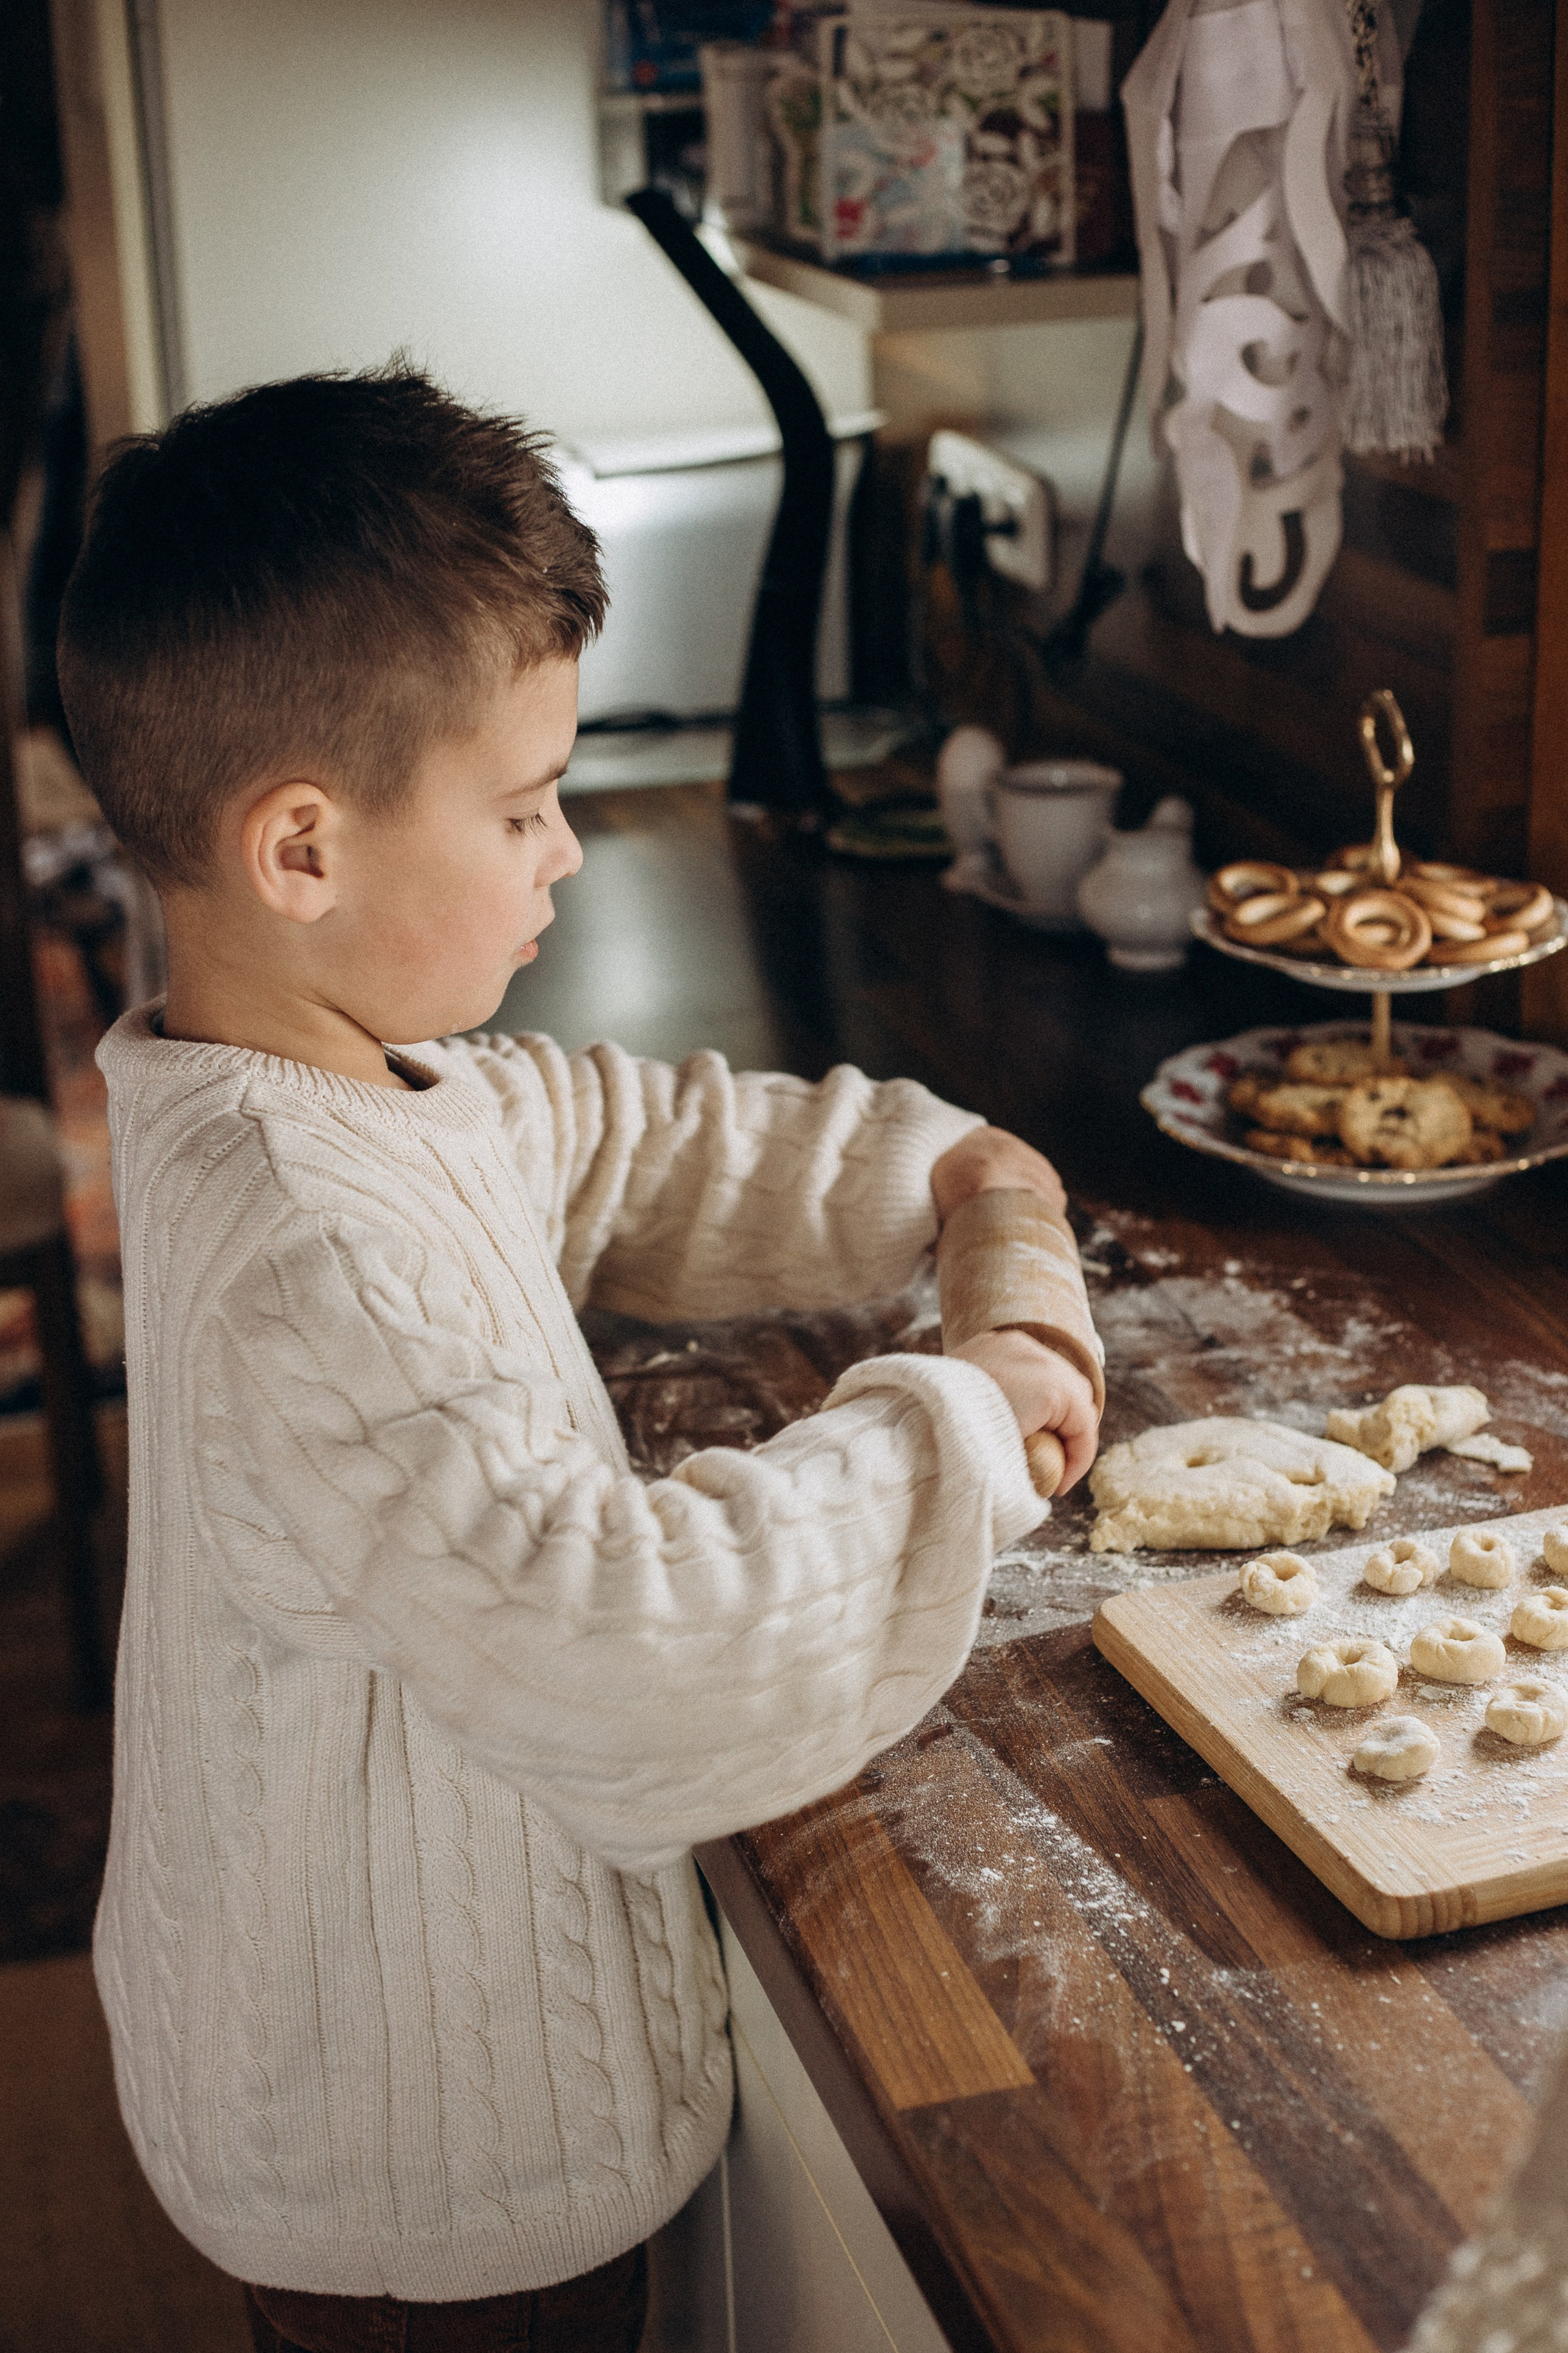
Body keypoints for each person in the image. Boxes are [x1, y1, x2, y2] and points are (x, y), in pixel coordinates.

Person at [58, 365, 1102, 2353]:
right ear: (303, 849)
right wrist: (963, 1420)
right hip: (423, 2171)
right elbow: (614, 1640)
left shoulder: (332, 1067)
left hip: (383, 2080)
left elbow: (617, 1136)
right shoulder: (308, 1248)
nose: (570, 855)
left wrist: (947, 1171)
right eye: (527, 806)